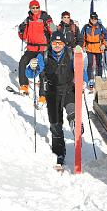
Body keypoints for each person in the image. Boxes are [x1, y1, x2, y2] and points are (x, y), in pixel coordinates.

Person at [25, 31, 84, 167]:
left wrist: (84, 81)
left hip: (68, 89)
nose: (57, 45)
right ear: (50, 43)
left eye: (60, 43)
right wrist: (31, 66)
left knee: (71, 110)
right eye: (54, 43)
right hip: (52, 91)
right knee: (55, 124)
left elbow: (81, 70)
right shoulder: (44, 56)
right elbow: (31, 73)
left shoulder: (70, 54)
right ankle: (59, 153)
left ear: (64, 44)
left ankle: (75, 123)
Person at [17, 0, 56, 105]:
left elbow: (54, 29)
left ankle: (43, 96)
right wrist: (21, 30)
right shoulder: (27, 20)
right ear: (30, 9)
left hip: (43, 49)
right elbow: (23, 36)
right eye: (33, 8)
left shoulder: (44, 18)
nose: (35, 10)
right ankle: (24, 85)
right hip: (31, 48)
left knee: (42, 71)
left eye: (37, 7)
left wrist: (50, 24)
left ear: (39, 8)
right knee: (22, 63)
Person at [82, 12, 107, 90]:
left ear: (97, 19)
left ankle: (99, 79)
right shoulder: (86, 27)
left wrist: (104, 44)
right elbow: (82, 38)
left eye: (95, 19)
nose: (94, 20)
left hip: (98, 47)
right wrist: (83, 46)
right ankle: (90, 80)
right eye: (92, 19)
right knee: (90, 64)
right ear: (90, 19)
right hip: (89, 47)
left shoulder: (100, 27)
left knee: (99, 64)